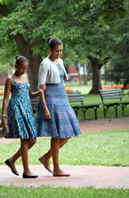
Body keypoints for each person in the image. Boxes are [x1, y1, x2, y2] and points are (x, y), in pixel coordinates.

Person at [36, 37, 81, 177]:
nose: (59, 53)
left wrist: (67, 102)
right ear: (50, 49)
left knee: (68, 133)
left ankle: (46, 157)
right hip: (51, 100)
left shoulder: (60, 61)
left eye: (61, 51)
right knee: (56, 134)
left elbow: (62, 82)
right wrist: (45, 108)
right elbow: (40, 88)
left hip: (62, 99)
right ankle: (56, 168)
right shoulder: (44, 64)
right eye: (57, 51)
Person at [1, 55, 43, 179]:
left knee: (32, 139)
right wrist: (3, 117)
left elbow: (29, 95)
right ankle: (26, 171)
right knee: (24, 139)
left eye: (26, 68)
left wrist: (41, 92)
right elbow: (5, 99)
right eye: (22, 68)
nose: (24, 71)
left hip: (27, 109)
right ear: (16, 66)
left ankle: (12, 160)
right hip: (16, 109)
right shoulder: (10, 79)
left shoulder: (26, 77)